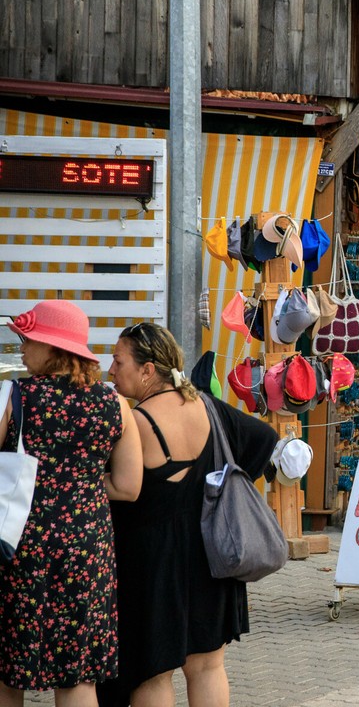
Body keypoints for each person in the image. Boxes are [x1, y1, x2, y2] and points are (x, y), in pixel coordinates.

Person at [97, 323, 276, 707]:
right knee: (208, 666)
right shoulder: (206, 406)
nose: (110, 369)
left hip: (153, 565)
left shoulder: (134, 421)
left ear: (147, 370)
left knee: (152, 672)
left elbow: (121, 489)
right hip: (213, 555)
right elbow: (264, 439)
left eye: (118, 360)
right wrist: (224, 484)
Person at [0, 300, 143, 707]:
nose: (23, 349)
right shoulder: (115, 404)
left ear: (53, 348)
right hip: (87, 548)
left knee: (9, 672)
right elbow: (129, 486)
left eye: (29, 341)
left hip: (20, 546)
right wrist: (79, 486)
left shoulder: (15, 396)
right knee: (78, 676)